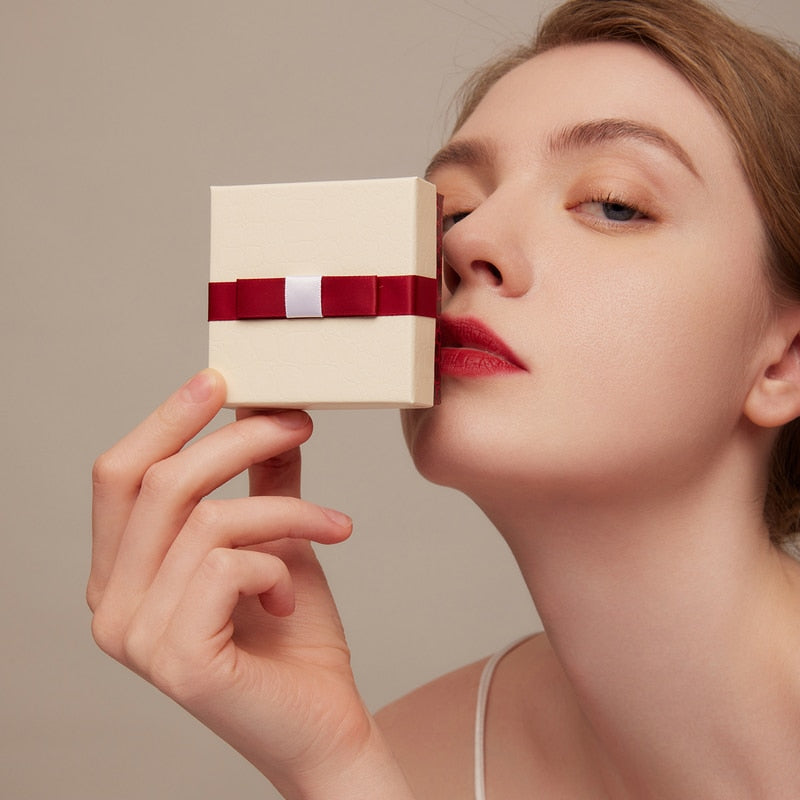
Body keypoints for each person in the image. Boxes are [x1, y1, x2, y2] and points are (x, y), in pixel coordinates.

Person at [87, 0, 800, 797]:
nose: (464, 242)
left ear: (786, 361)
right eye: (454, 209)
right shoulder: (397, 759)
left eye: (613, 202)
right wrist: (334, 770)